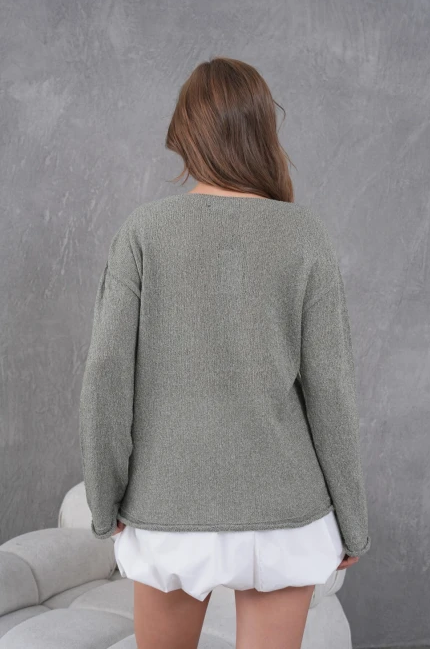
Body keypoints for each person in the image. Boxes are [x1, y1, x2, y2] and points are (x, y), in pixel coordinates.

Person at [79, 56, 371, 649]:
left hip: (168, 509)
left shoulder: (143, 232)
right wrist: (352, 523)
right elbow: (331, 394)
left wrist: (103, 501)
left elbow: (106, 378)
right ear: (264, 130)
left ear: (185, 132)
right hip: (284, 514)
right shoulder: (304, 235)